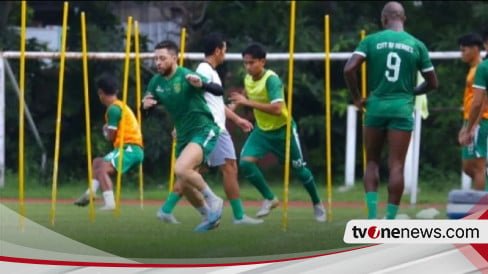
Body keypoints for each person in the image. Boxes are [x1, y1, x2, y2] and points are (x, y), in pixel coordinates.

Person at [343, 1, 438, 220]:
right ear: (403, 19)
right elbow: (433, 83)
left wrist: (357, 97)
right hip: (402, 108)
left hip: (375, 107)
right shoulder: (416, 45)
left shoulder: (371, 41)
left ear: (384, 19)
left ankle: (372, 216)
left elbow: (349, 69)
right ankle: (390, 219)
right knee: (396, 164)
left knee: (372, 161)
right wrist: (411, 91)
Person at [156, 32, 263, 225]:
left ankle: (167, 208)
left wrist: (237, 119)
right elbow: (189, 100)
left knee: (193, 170)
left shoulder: (208, 71)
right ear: (217, 50)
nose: (225, 53)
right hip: (211, 128)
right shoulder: (205, 71)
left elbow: (213, 101)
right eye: (224, 49)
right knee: (227, 167)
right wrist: (178, 127)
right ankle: (237, 216)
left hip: (210, 126)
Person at [229, 42, 326, 222]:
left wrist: (246, 103)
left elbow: (277, 109)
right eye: (245, 63)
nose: (248, 67)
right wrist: (228, 111)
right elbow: (242, 97)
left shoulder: (271, 80)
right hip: (262, 132)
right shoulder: (248, 79)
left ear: (262, 62)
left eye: (251, 63)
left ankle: (317, 203)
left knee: (300, 171)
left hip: (284, 131)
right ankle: (270, 198)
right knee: (245, 163)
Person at [142, 39, 225, 232]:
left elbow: (219, 91)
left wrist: (201, 84)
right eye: (156, 59)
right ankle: (208, 216)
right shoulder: (156, 82)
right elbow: (146, 109)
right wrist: (143, 107)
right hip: (183, 135)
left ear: (174, 57)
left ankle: (215, 200)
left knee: (181, 169)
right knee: (185, 181)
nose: (158, 63)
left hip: (204, 129)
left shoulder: (186, 75)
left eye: (162, 58)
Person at [74, 74, 145, 210]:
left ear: (100, 92)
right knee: (97, 162)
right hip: (129, 147)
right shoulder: (119, 106)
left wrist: (105, 131)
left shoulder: (113, 109)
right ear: (116, 90)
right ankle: (90, 193)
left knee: (102, 169)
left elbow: (111, 137)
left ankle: (110, 203)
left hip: (130, 148)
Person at [457, 33, 487, 191]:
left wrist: (472, 127)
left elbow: (482, 102)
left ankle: (482, 209)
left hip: (480, 121)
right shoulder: (474, 70)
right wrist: (466, 124)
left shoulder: (480, 70)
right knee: (469, 167)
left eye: (464, 50)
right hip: (472, 120)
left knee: (476, 168)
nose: (462, 54)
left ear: (475, 49)